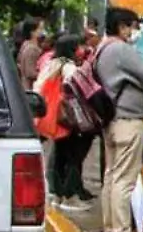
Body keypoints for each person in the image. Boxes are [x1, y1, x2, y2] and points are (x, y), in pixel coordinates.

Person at [93, 7, 143, 232]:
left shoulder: (102, 48)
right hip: (128, 120)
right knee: (124, 180)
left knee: (111, 178)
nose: (134, 32)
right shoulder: (121, 50)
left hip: (111, 122)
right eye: (132, 26)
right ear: (122, 26)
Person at [35, 32, 97, 207]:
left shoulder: (50, 64)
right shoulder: (68, 67)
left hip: (53, 115)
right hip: (68, 117)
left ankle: (56, 193)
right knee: (72, 156)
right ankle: (69, 195)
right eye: (78, 46)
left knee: (59, 154)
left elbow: (39, 86)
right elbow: (78, 90)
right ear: (72, 49)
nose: (81, 49)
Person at [14, 17, 46, 91]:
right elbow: (30, 73)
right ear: (33, 32)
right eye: (40, 29)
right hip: (31, 88)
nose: (43, 32)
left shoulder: (25, 45)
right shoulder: (32, 49)